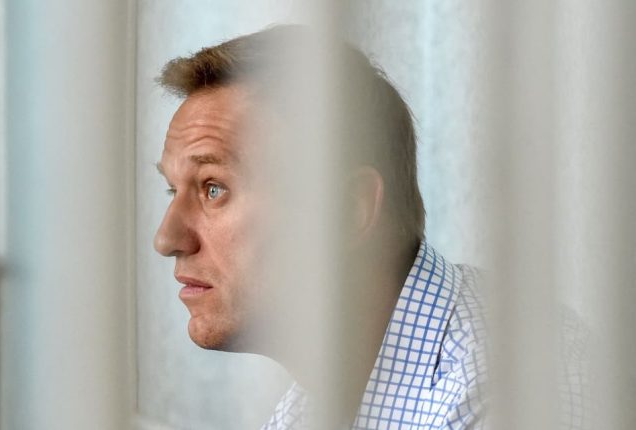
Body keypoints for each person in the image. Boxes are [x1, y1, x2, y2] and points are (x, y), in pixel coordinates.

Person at [152, 25, 487, 429]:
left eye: (214, 189)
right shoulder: (309, 409)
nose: (167, 239)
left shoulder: (491, 399)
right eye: (173, 190)